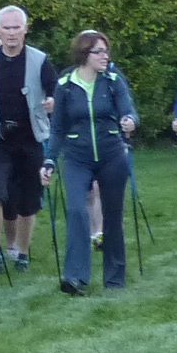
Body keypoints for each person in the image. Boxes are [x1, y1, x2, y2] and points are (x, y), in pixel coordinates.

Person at [47, 31, 137, 294]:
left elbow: (128, 110)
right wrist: (50, 160)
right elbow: (58, 128)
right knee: (76, 210)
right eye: (98, 51)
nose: (105, 56)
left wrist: (130, 121)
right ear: (83, 54)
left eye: (106, 51)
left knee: (112, 214)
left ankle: (115, 276)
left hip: (112, 154)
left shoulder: (112, 81)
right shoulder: (65, 85)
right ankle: (75, 277)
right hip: (77, 156)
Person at [0, 5, 55, 272]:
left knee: (28, 200)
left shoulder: (40, 60)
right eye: (6, 28)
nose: (11, 33)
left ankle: (22, 253)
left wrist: (53, 102)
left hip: (30, 136)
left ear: (25, 29)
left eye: (16, 27)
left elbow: (55, 90)